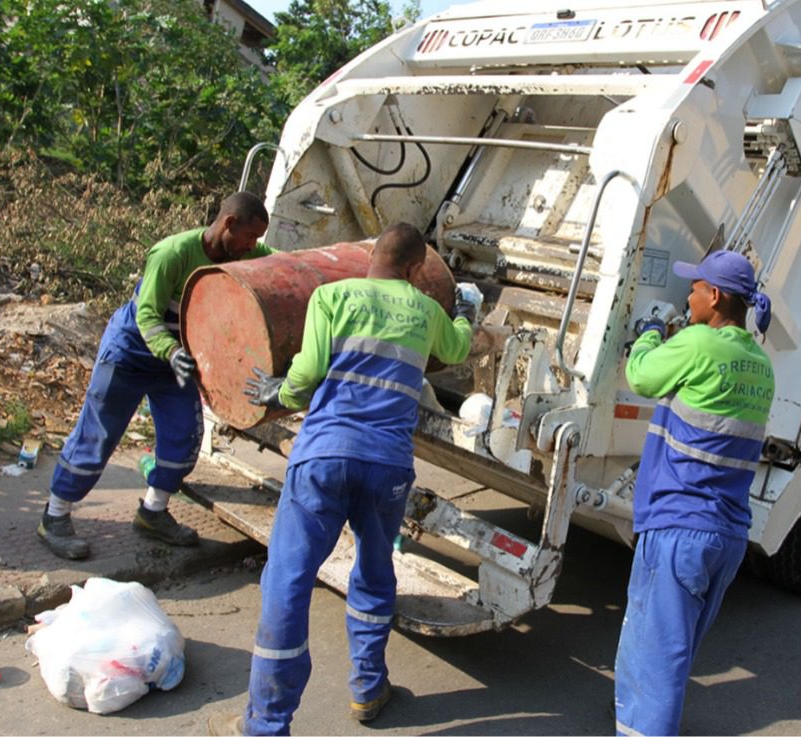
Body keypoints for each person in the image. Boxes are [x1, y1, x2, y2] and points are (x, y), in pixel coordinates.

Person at [207, 223, 475, 736]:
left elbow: (305, 379)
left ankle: (267, 721)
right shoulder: (425, 310)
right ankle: (369, 689)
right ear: (417, 269)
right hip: (387, 467)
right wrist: (464, 311)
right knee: (374, 573)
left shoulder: (331, 296)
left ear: (371, 256)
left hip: (323, 459)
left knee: (288, 579)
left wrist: (276, 392)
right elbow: (459, 349)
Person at [37, 192, 272, 560]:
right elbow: (147, 315)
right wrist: (173, 352)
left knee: (184, 436)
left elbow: (283, 264)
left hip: (173, 363)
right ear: (229, 224)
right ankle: (54, 516)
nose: (252, 246)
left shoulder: (242, 254)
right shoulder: (172, 254)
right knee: (97, 436)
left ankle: (153, 512)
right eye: (249, 237)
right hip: (131, 354)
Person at [613, 250, 775, 736]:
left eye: (695, 288)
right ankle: (632, 721)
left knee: (654, 659)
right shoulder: (759, 365)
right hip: (724, 537)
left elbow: (640, 375)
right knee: (665, 654)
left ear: (716, 296)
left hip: (678, 529)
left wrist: (649, 330)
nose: (688, 295)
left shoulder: (700, 344)